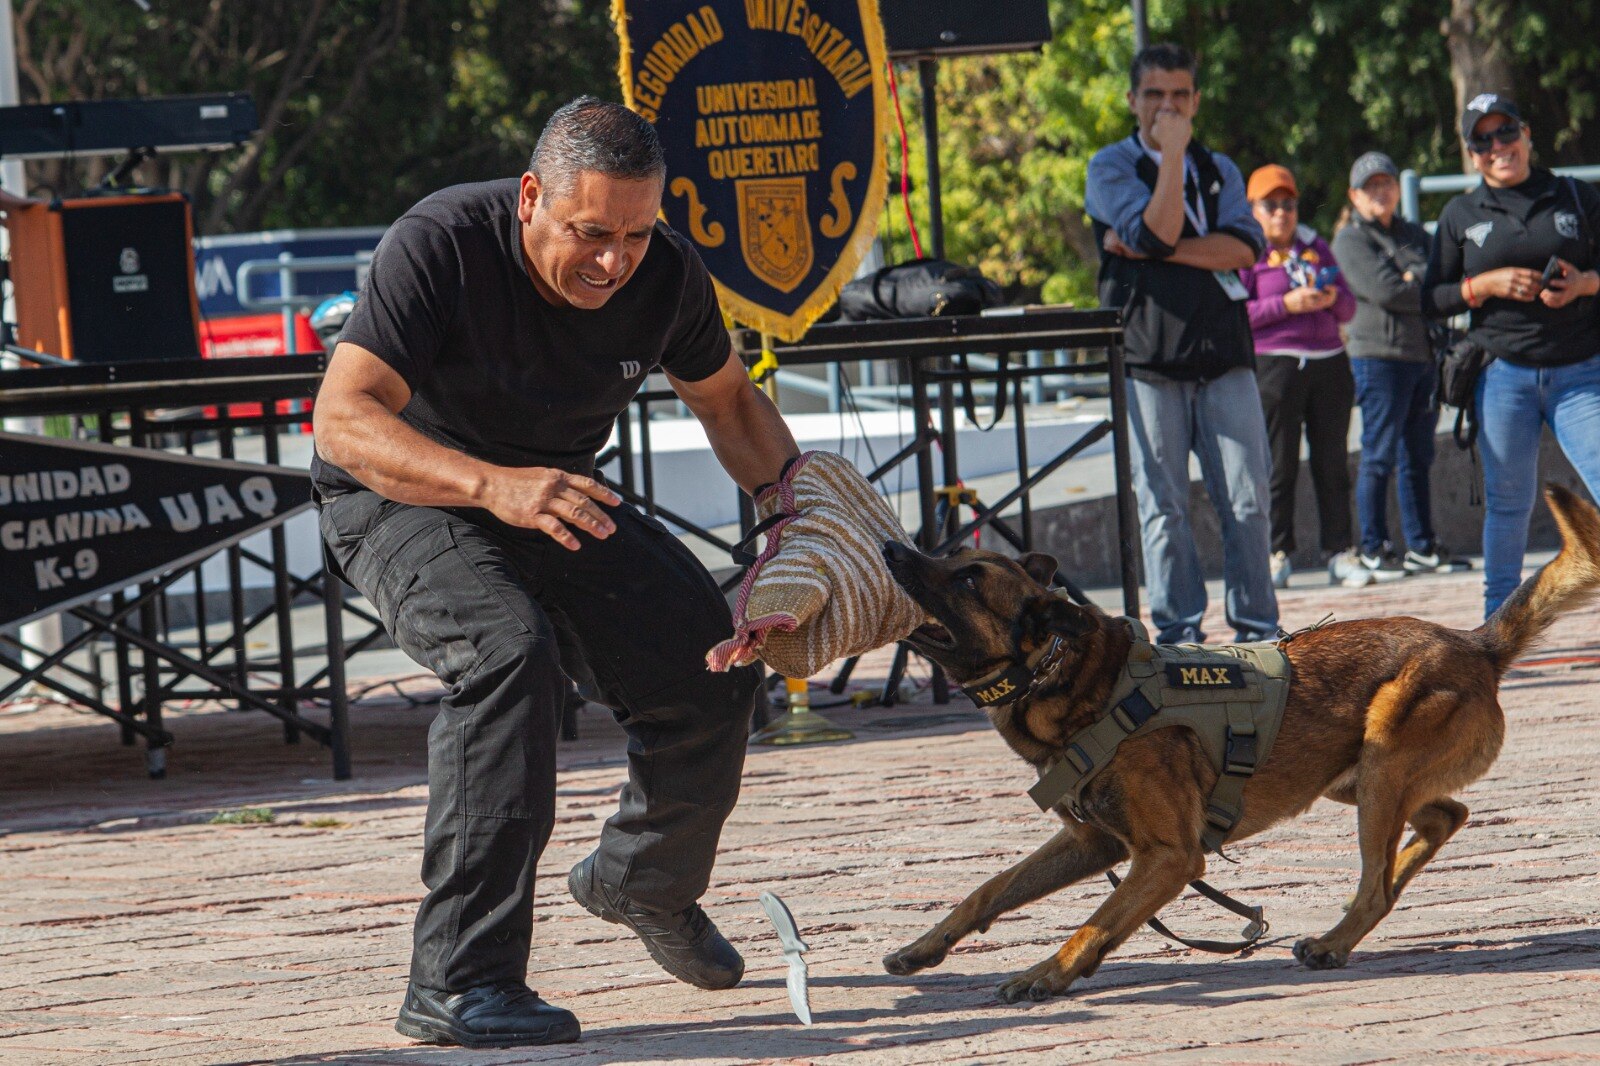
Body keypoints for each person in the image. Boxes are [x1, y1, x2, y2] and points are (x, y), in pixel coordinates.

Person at [311, 97, 797, 1048]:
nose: (614, 262)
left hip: (550, 493)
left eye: (635, 235)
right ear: (532, 197)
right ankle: (461, 982)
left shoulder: (665, 274)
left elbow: (731, 403)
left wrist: (800, 524)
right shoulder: (442, 242)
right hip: (402, 491)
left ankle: (641, 881)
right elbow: (345, 418)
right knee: (507, 657)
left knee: (709, 665)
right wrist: (491, 484)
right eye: (589, 234)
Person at [1085, 43, 1279, 644]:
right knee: (1162, 507)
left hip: (1224, 356)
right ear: (1131, 100)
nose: (1166, 107)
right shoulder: (1110, 167)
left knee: (1248, 502)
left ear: (1195, 100)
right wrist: (1169, 159)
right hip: (1148, 359)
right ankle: (1178, 634)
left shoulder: (1218, 167)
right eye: (1153, 95)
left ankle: (1258, 632)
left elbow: (1247, 249)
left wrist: (1152, 247)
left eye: (1178, 96)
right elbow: (1159, 227)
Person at [1422, 93, 1600, 618]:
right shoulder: (1459, 213)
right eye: (1483, 139)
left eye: (1505, 133)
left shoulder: (1574, 195)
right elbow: (1431, 298)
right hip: (1503, 375)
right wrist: (1484, 285)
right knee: (1507, 504)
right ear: (1471, 153)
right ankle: (1497, 624)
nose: (1497, 147)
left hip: (1581, 374)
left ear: (1526, 134)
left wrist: (1584, 283)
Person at [1333, 151, 1468, 580]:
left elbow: (1439, 279)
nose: (1381, 191)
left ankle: (1422, 545)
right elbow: (1387, 290)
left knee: (1419, 456)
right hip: (1378, 359)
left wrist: (1416, 282)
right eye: (1370, 186)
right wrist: (1418, 283)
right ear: (1354, 195)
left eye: (1386, 183)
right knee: (1378, 454)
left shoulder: (1412, 232)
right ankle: (1374, 547)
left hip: (1422, 356)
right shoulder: (1350, 239)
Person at [1241, 163, 1367, 588]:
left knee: (1333, 464)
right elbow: (1237, 314)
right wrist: (1286, 305)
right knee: (1278, 466)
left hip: (1329, 361)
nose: (1281, 213)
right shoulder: (1245, 251)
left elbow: (1349, 308)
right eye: (1270, 205)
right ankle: (1276, 552)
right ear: (1252, 209)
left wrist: (1330, 298)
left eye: (1288, 204)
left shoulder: (1314, 245)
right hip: (1275, 365)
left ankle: (1340, 551)